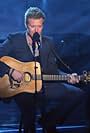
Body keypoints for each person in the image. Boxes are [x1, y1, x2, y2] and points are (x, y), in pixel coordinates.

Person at [0, 7, 85, 133]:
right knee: (29, 114)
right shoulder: (14, 39)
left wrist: (68, 77)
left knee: (77, 94)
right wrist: (11, 71)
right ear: (26, 25)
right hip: (20, 88)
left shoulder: (48, 42)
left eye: (39, 26)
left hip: (43, 86)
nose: (36, 30)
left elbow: (53, 71)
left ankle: (49, 120)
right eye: (32, 26)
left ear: (43, 25)